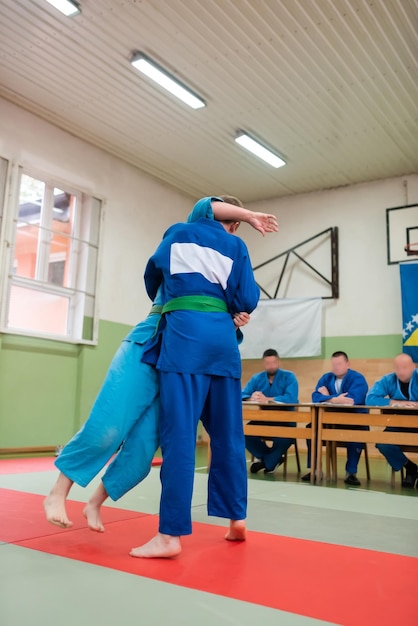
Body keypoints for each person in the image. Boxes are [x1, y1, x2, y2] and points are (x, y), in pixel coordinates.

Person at [43, 197, 278, 531]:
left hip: (183, 361)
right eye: (226, 214)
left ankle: (94, 504)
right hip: (148, 345)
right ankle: (58, 491)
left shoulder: (224, 265)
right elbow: (204, 207)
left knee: (142, 450)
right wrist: (250, 214)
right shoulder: (186, 237)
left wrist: (235, 318)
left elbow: (240, 304)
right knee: (109, 427)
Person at [131, 195, 261, 559]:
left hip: (185, 339)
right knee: (228, 436)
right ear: (233, 222)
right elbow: (248, 298)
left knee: (181, 439)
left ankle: (170, 536)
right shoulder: (236, 245)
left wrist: (177, 297)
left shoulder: (178, 232)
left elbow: (152, 277)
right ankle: (237, 521)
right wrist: (232, 309)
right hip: (222, 344)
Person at [302, 351, 369, 486]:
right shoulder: (326, 378)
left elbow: (352, 400)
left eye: (339, 364)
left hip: (353, 421)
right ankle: (315, 470)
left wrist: (328, 397)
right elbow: (315, 396)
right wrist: (336, 399)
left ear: (347, 364)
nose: (336, 367)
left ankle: (351, 473)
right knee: (311, 428)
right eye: (333, 365)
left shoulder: (358, 379)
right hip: (330, 422)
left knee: (357, 433)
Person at [242, 349, 299, 474]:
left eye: (273, 362)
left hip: (286, 420)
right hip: (264, 419)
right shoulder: (257, 378)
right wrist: (251, 397)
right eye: (268, 363)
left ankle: (265, 462)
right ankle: (270, 459)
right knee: (245, 433)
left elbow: (291, 398)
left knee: (283, 439)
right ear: (264, 363)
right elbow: (242, 394)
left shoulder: (289, 377)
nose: (271, 366)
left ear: (278, 362)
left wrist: (268, 399)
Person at [366, 353, 418, 488]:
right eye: (398, 368)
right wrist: (393, 402)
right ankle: (411, 468)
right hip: (398, 424)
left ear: (413, 366)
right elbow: (370, 398)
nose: (401, 372)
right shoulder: (388, 379)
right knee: (383, 443)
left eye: (405, 367)